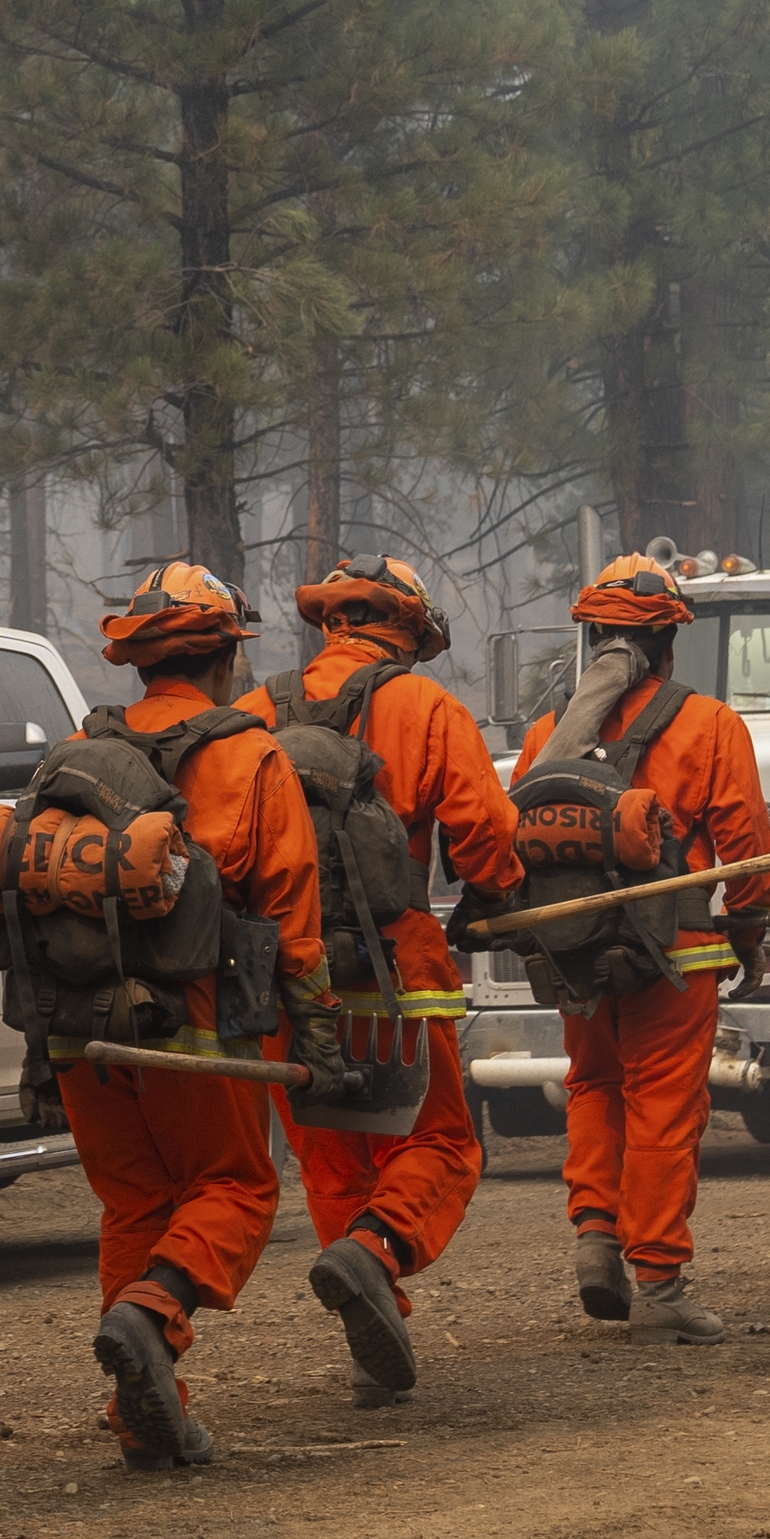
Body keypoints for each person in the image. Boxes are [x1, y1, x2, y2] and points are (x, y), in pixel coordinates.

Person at [66, 561, 332, 1469]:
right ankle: (152, 1313)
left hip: (81, 1026)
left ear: (139, 663)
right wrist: (321, 1031)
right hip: (195, 1019)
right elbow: (292, 913)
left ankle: (146, 1407)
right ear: (223, 657)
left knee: (136, 1198)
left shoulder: (77, 747)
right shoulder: (252, 753)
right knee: (236, 1187)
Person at [252, 555, 524, 1406]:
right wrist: (494, 894)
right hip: (397, 972)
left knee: (335, 1159)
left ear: (329, 622)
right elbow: (482, 830)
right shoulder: (425, 704)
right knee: (438, 1143)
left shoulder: (256, 710)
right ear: (407, 628)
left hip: (288, 976)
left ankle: (373, 1332)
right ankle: (374, 1257)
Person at [511, 558, 770, 1342]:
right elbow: (745, 844)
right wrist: (750, 934)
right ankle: (659, 1279)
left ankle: (597, 1237)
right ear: (667, 644)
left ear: (592, 638)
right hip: (678, 950)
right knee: (664, 1105)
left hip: (572, 947)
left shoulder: (544, 736)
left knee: (594, 1084)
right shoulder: (710, 725)